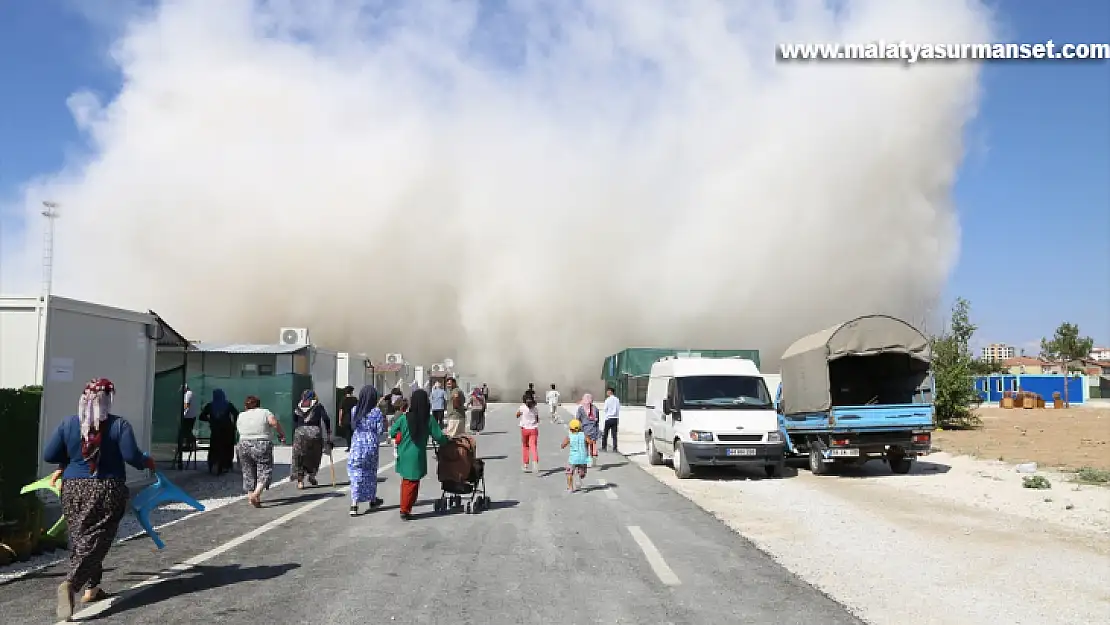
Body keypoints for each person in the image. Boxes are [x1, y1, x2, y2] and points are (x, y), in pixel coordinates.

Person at [43, 378, 157, 618]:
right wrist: (147, 461)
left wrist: (68, 461)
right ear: (109, 398)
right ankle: (71, 584)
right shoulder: (119, 425)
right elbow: (131, 456)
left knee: (81, 537)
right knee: (98, 539)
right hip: (107, 487)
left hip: (73, 487)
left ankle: (92, 588)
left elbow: (49, 454)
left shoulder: (68, 423)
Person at [388, 388, 449, 520]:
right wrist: (447, 441)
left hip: (404, 454)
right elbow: (439, 437)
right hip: (417, 456)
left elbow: (392, 431)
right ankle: (404, 509)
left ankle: (407, 506)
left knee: (407, 481)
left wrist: (400, 435)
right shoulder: (428, 419)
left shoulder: (404, 418)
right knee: (412, 483)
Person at [235, 395, 287, 508]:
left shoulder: (241, 415)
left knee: (247, 471)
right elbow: (274, 423)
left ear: (246, 406)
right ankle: (256, 494)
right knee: (264, 469)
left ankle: (251, 496)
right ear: (259, 404)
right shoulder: (265, 412)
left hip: (243, 444)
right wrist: (281, 434)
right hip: (261, 443)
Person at [348, 385, 386, 516]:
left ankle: (354, 504)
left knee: (356, 473)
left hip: (357, 442)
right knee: (370, 472)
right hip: (371, 443)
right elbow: (380, 430)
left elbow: (352, 426)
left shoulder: (354, 410)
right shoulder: (376, 412)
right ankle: (372, 499)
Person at [291, 389, 333, 489]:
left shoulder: (298, 406)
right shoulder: (318, 405)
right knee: (315, 455)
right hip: (315, 433)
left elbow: (294, 420)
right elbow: (326, 418)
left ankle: (300, 482)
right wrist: (328, 431)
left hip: (300, 433)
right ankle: (312, 476)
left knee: (299, 456)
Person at [198, 388, 239, 475]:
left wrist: (210, 420)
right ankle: (226, 465)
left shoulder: (210, 405)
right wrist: (234, 424)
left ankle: (213, 463)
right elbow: (236, 414)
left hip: (215, 429)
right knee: (227, 447)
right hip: (228, 429)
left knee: (214, 447)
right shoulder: (228, 404)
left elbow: (201, 416)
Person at [561, 419, 589, 493]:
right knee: (582, 472)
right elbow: (589, 441)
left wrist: (563, 445)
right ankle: (580, 478)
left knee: (569, 473)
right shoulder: (583, 435)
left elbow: (563, 445)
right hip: (583, 458)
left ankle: (570, 488)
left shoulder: (570, 436)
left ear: (571, 428)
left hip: (573, 459)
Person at [576, 394, 601, 467]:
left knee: (585, 446)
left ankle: (586, 461)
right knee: (593, 445)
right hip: (593, 429)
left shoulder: (581, 409)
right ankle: (593, 460)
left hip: (584, 430)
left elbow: (577, 419)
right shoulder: (595, 408)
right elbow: (598, 420)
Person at [517, 397, 541, 472]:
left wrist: (520, 413)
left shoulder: (522, 408)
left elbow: (517, 415)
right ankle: (535, 462)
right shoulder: (535, 409)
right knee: (533, 446)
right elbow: (537, 419)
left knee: (525, 446)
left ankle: (525, 464)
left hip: (524, 429)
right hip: (533, 429)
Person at [601, 387, 622, 453]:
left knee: (605, 434)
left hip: (608, 418)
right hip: (615, 418)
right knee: (614, 434)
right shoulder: (617, 399)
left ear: (610, 392)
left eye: (608, 391)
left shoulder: (607, 400)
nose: (607, 393)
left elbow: (605, 409)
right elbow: (618, 408)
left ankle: (604, 447)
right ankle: (615, 448)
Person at [337, 386, 358, 452]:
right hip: (354, 418)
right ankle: (355, 446)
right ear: (351, 392)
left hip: (346, 418)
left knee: (348, 433)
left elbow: (341, 411)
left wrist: (340, 420)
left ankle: (349, 447)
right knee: (354, 433)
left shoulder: (343, 399)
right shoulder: (355, 399)